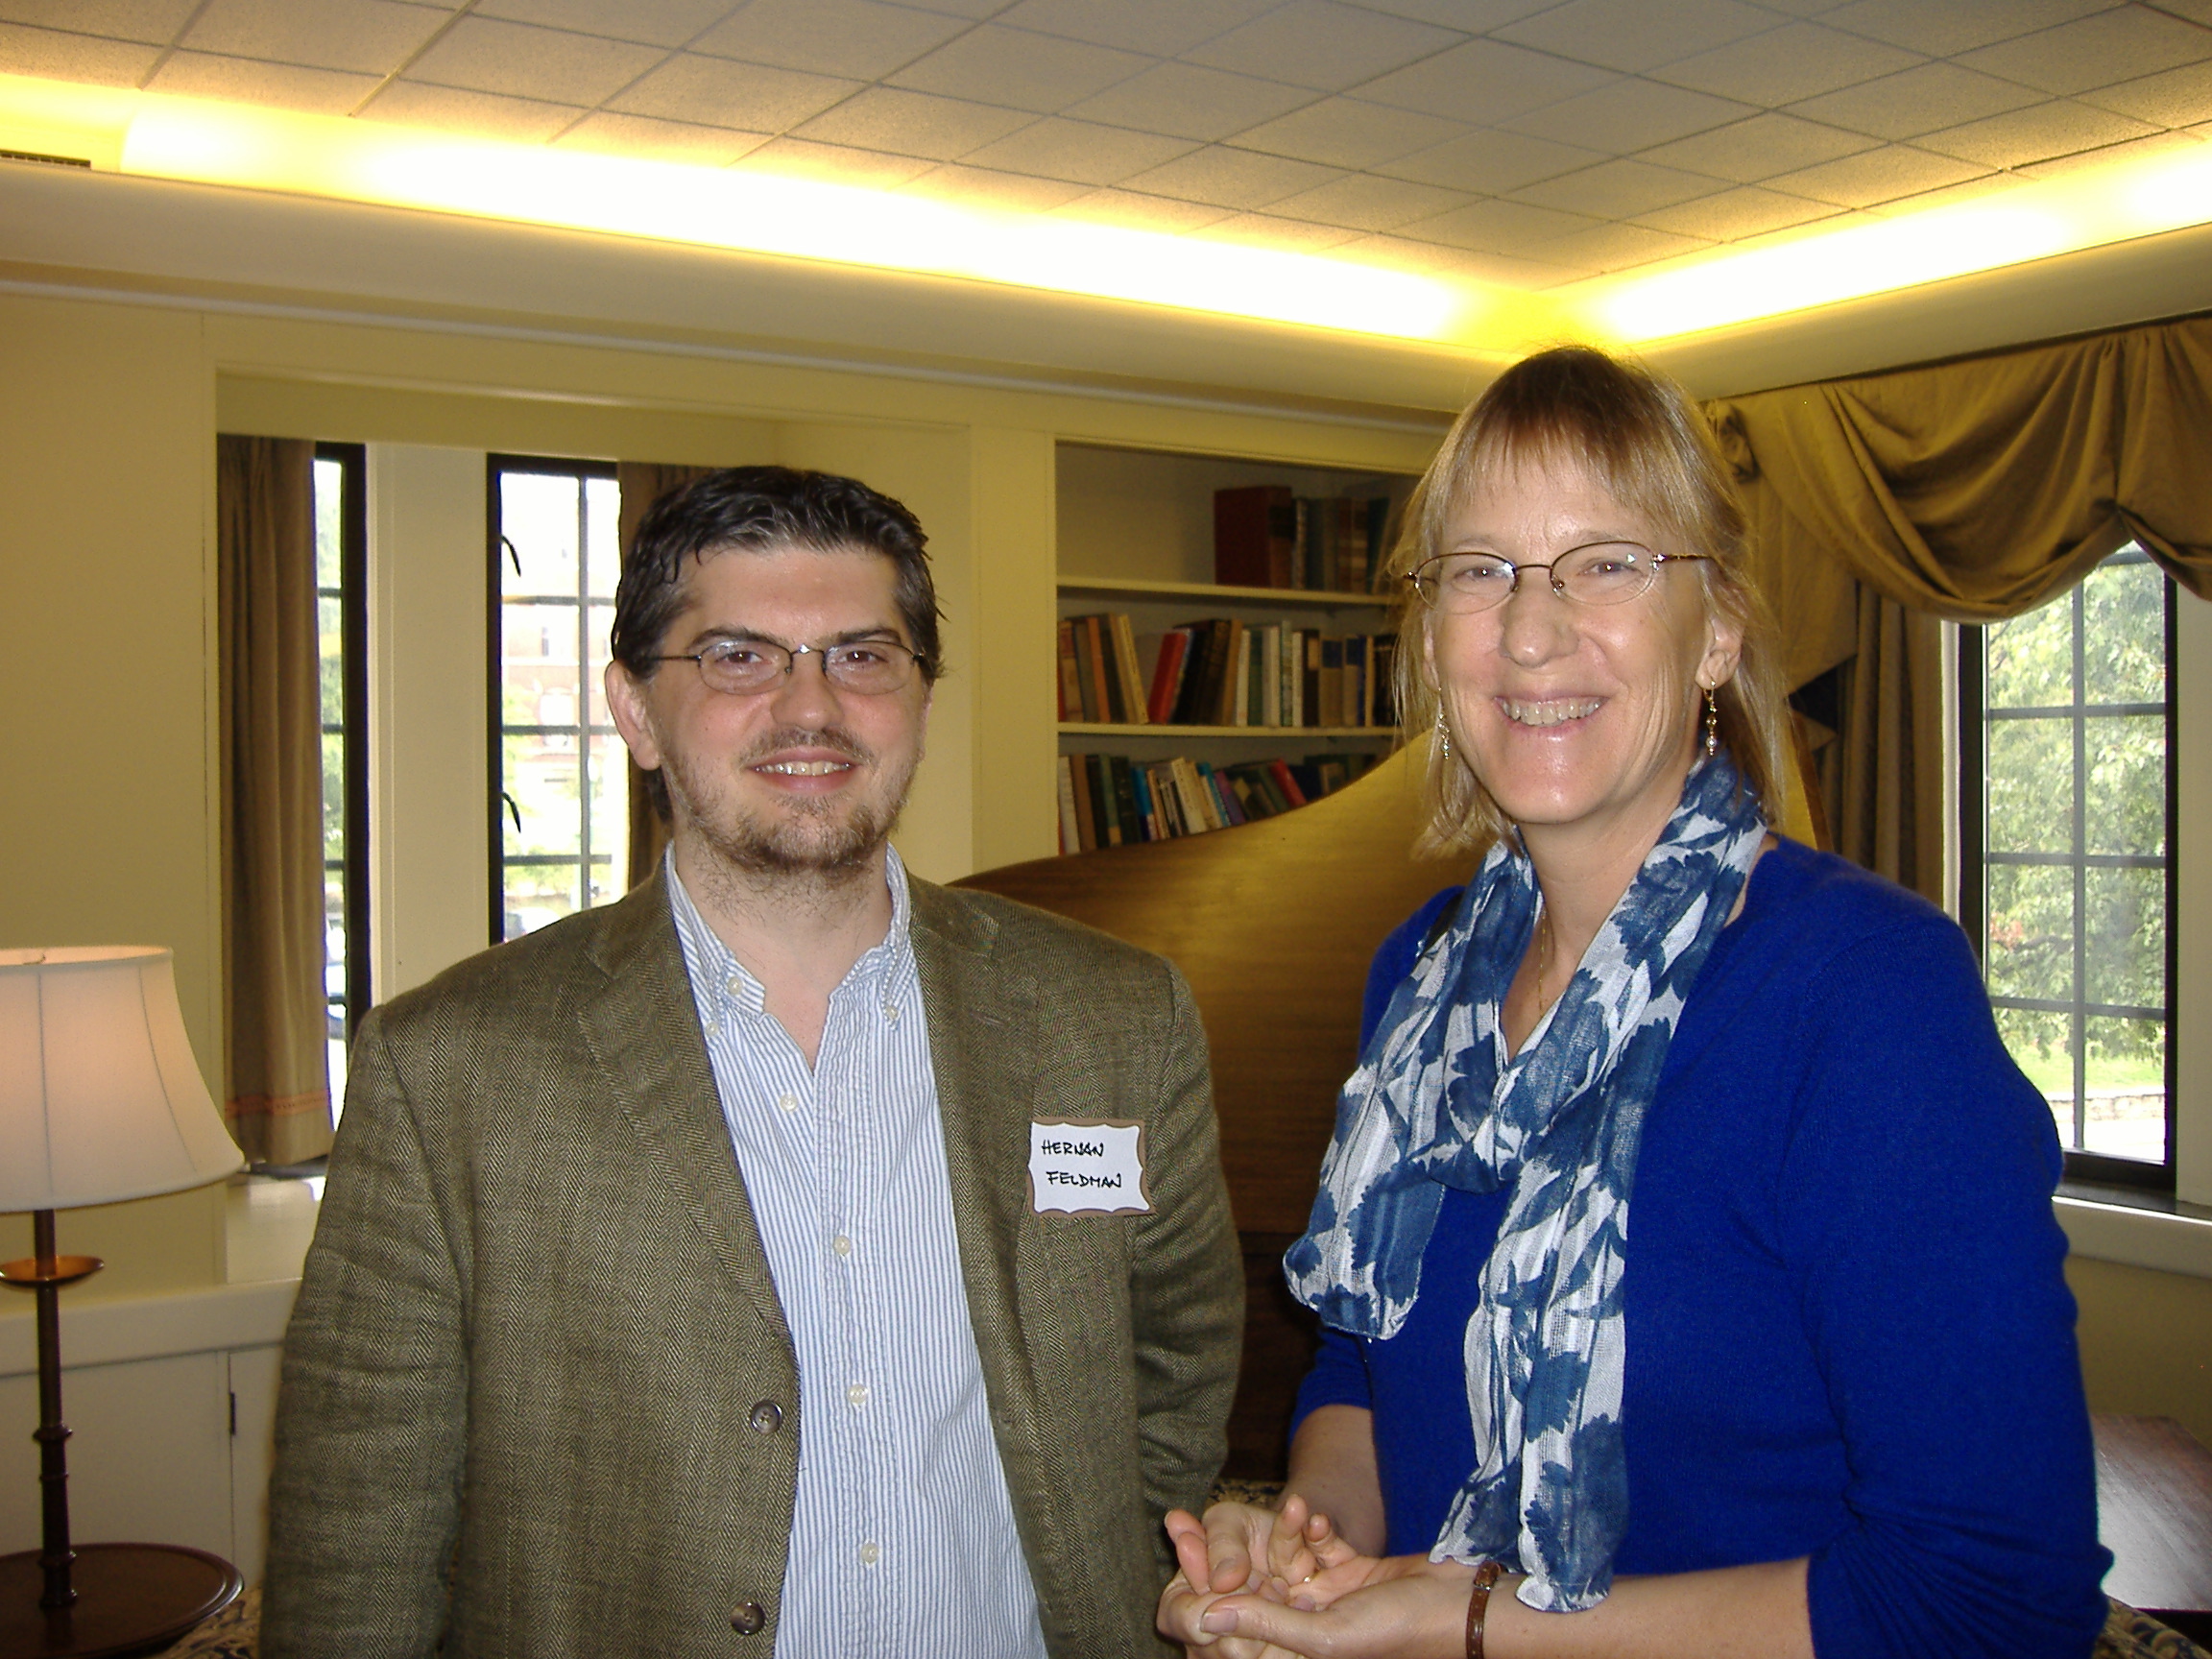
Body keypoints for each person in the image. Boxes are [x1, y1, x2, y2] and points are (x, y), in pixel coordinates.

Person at [1157, 349, 2109, 1659]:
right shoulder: (1419, 978)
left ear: (1717, 628)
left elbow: (1990, 1597)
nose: (1532, 631)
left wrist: (1477, 1622)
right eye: (1480, 571)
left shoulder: (1865, 1001)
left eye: (1608, 562)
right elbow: (1359, 1364)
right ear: (1433, 637)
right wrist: (1313, 1540)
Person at [264, 466, 1242, 1659]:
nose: (809, 707)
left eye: (862, 655)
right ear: (634, 710)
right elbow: (358, 1527)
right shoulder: (451, 1070)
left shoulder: (1117, 1020)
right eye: (738, 657)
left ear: (922, 698)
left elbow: (1178, 1368)